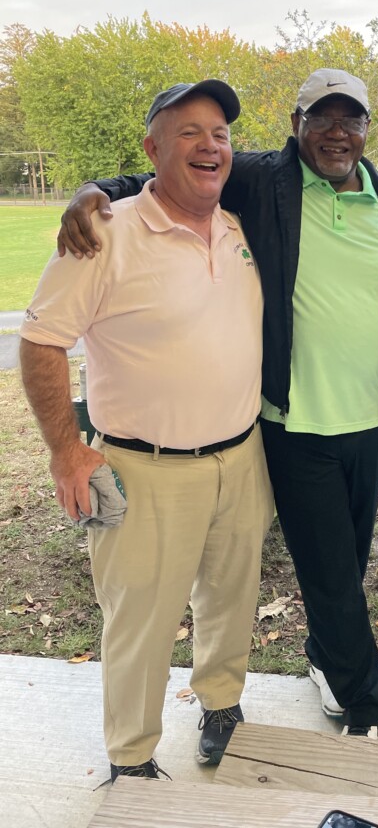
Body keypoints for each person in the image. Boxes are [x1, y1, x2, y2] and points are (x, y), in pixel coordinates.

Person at [57, 68, 378, 739]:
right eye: (322, 118)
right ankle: (366, 709)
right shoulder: (265, 180)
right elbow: (163, 177)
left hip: (368, 421)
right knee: (334, 578)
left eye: (352, 120)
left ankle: (315, 663)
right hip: (293, 423)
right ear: (296, 127)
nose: (337, 133)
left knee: (345, 561)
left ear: (367, 130)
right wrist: (93, 191)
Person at [20, 80, 274, 780]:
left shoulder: (238, 224)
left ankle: (222, 704)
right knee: (140, 624)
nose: (210, 144)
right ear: (152, 148)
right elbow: (42, 342)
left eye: (220, 133)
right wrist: (66, 450)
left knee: (230, 598)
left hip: (240, 456)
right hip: (143, 465)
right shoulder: (104, 231)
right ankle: (130, 758)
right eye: (188, 131)